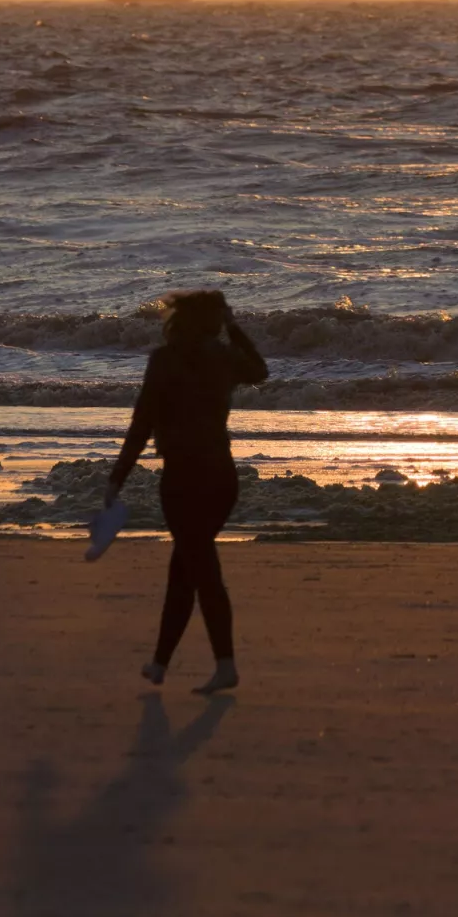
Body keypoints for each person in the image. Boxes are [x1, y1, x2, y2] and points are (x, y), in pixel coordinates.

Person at [106, 289, 268, 694]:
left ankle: (225, 664)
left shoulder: (165, 360)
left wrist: (117, 476)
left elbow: (142, 423)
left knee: (200, 569)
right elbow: (261, 371)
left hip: (183, 478)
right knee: (186, 567)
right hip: (221, 477)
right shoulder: (224, 357)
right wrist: (234, 327)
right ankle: (160, 663)